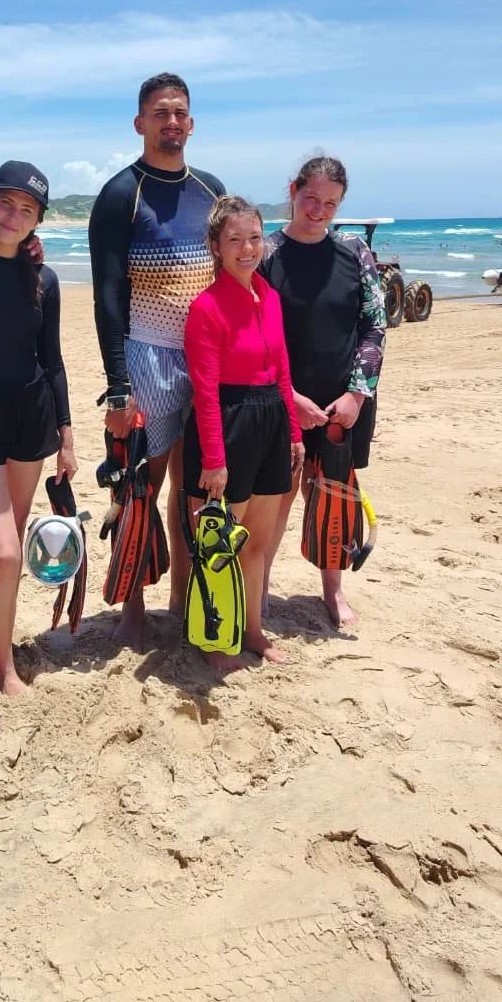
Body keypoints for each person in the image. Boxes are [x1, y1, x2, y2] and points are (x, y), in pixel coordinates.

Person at [89, 73, 225, 646]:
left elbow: (234, 272)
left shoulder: (211, 190)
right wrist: (119, 385)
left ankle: (180, 597)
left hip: (207, 359)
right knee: (140, 485)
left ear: (191, 123)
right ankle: (133, 605)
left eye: (180, 113)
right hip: (146, 355)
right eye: (160, 112)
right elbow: (106, 295)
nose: (172, 121)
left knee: (195, 491)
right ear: (140, 123)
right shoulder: (123, 193)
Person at [0, 161, 77, 695]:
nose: (14, 215)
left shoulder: (44, 280)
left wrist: (67, 436)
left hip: (32, 421)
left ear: (37, 221)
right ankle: (3, 671)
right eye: (6, 203)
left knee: (8, 553)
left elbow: (51, 360)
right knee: (5, 551)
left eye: (27, 209)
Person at [259, 155, 386, 627]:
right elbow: (252, 333)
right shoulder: (267, 253)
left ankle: (333, 592)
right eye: (310, 198)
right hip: (281, 401)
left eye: (329, 203)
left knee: (334, 496)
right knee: (279, 495)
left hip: (342, 404)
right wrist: (287, 394)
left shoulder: (354, 252)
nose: (318, 210)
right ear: (293, 189)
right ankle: (263, 584)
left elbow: (375, 325)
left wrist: (357, 394)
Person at [183, 196, 302, 667]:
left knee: (256, 542)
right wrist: (214, 460)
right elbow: (205, 391)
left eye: (254, 237)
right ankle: (215, 640)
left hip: (270, 420)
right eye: (234, 239)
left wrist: (293, 430)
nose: (247, 248)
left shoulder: (269, 297)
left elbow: (283, 369)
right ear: (216, 245)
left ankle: (252, 630)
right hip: (227, 424)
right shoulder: (206, 308)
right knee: (218, 547)